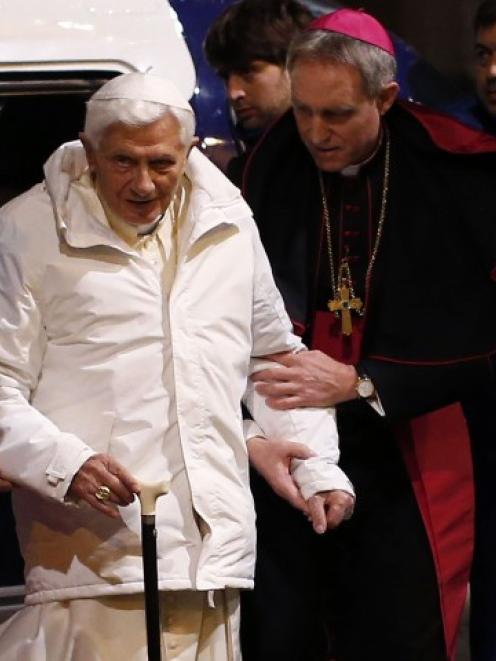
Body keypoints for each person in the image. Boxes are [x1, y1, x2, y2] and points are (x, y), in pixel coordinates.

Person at [0, 71, 354, 660]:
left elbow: (272, 358)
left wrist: (318, 467)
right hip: (93, 563)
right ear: (88, 152)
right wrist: (65, 463)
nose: (143, 184)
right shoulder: (25, 232)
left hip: (212, 561)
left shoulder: (228, 221)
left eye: (161, 163)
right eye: (122, 162)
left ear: (189, 152)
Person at [239, 8, 496, 661]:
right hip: (291, 432)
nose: (316, 134)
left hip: (409, 438)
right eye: (303, 111)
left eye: (338, 115)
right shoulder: (273, 164)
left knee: (398, 628)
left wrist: (365, 378)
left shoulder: (456, 169)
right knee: (287, 630)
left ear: (384, 97)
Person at [203, 0, 312, 185]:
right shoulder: (252, 168)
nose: (233, 93)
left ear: (295, 65)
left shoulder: (333, 162)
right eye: (226, 77)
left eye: (248, 72)